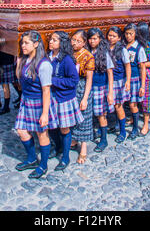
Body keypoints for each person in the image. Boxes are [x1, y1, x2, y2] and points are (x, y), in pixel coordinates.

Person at [14, 30, 58, 179]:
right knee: (21, 130)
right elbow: (19, 79)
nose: (23, 45)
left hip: (39, 102)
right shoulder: (26, 60)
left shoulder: (44, 64)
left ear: (36, 44)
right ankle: (32, 158)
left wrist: (45, 113)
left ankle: (43, 165)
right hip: (26, 100)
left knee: (41, 133)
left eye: (26, 43)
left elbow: (46, 90)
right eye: (22, 43)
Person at [48, 31, 83, 171]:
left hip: (63, 97)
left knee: (64, 127)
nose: (51, 42)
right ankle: (58, 147)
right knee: (52, 126)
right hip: (51, 96)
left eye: (54, 40)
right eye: (50, 39)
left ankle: (66, 157)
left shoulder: (66, 59)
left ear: (62, 43)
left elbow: (74, 80)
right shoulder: (48, 57)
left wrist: (53, 81)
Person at [87, 28, 114, 153]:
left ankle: (104, 139)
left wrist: (110, 92)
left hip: (100, 86)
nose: (92, 41)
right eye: (90, 38)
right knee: (91, 112)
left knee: (101, 114)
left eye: (95, 38)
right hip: (89, 86)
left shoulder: (104, 53)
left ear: (100, 39)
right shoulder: (87, 52)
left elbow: (110, 72)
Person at [70, 30, 95, 164]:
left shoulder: (88, 56)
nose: (74, 43)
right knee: (72, 115)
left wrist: (85, 97)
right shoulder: (69, 53)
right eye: (73, 40)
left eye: (78, 41)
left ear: (84, 42)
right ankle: (73, 139)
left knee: (84, 116)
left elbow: (89, 79)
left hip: (82, 86)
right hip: (71, 86)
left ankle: (83, 147)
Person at [106, 27, 131, 143]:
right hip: (108, 80)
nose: (111, 38)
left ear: (119, 38)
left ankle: (122, 131)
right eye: (110, 35)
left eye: (114, 36)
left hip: (119, 79)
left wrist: (128, 81)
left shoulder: (122, 50)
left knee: (118, 105)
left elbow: (127, 65)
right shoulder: (105, 48)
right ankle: (115, 124)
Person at [124, 23, 147, 139]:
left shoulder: (139, 48)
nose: (128, 36)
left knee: (133, 104)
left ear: (135, 34)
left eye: (131, 34)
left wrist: (142, 85)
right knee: (126, 103)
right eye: (127, 33)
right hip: (124, 78)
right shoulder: (123, 47)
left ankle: (135, 128)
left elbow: (142, 67)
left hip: (134, 78)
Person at [136, 22, 150, 136]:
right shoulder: (136, 45)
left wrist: (140, 64)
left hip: (146, 74)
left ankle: (146, 123)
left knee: (146, 99)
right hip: (136, 74)